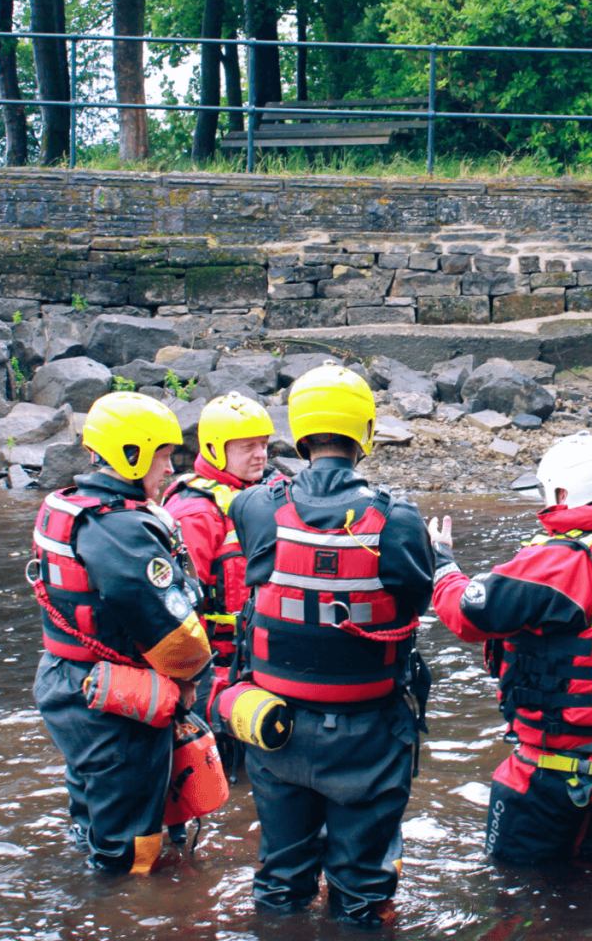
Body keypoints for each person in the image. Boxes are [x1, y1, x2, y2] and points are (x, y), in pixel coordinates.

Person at [228, 362, 434, 927]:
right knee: (363, 891)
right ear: (364, 431)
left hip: (276, 729)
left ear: (298, 429)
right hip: (369, 733)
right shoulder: (399, 520)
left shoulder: (255, 506)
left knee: (281, 878)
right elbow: (416, 597)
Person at [428, 432, 592, 864]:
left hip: (551, 768)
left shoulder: (558, 562)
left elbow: (466, 614)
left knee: (514, 897)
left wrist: (443, 563)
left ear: (564, 492)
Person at [30, 392, 212, 873]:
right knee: (132, 840)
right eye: (162, 456)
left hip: (68, 681)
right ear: (130, 454)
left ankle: (91, 885)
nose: (171, 469)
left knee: (92, 808)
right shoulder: (121, 528)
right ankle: (126, 909)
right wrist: (192, 682)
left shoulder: (69, 505)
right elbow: (168, 625)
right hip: (111, 701)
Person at [163, 394, 278, 680]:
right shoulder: (195, 513)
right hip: (223, 661)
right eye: (248, 446)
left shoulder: (277, 488)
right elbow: (180, 602)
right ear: (214, 449)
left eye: (264, 444)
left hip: (271, 649)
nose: (261, 454)